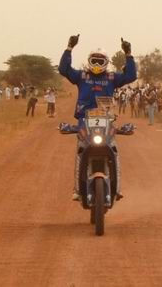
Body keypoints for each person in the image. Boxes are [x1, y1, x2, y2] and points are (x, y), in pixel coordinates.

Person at [58, 34, 136, 201]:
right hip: (84, 123)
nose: (98, 64)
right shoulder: (82, 76)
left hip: (107, 122)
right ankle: (78, 189)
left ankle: (117, 189)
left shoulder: (111, 78)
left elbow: (131, 76)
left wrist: (128, 54)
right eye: (95, 60)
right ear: (89, 61)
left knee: (114, 152)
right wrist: (69, 48)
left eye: (101, 61)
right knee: (80, 152)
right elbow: (64, 69)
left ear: (106, 63)